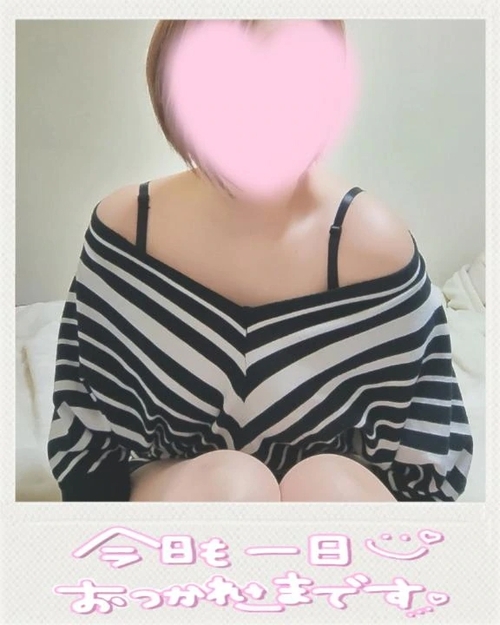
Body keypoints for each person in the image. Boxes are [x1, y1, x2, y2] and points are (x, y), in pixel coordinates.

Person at [47, 19, 473, 502]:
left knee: (327, 488)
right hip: (178, 492)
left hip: (333, 503)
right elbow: (87, 441)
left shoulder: (376, 253)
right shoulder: (125, 233)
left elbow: (425, 460)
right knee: (231, 485)